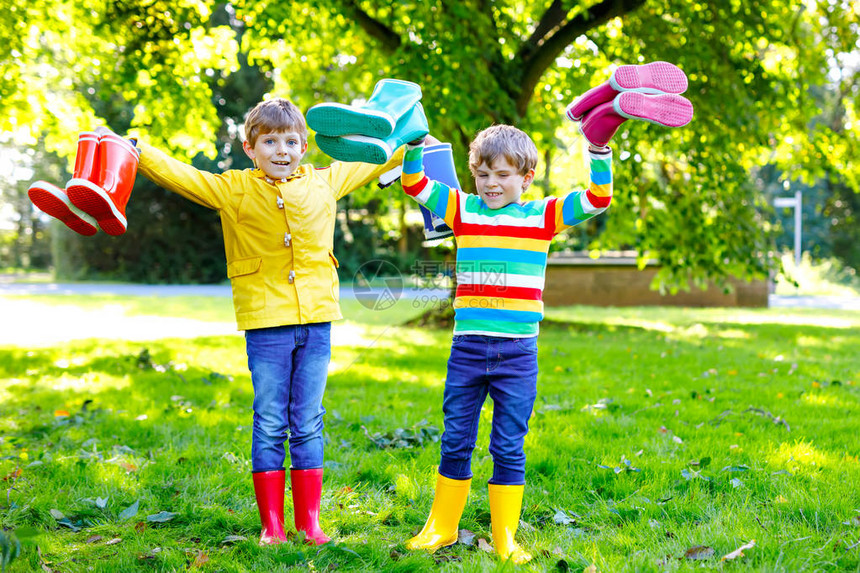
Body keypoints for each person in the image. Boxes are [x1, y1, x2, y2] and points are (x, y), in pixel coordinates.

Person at [394, 63, 692, 563]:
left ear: (526, 177)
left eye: (503, 175)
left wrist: (598, 153)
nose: (491, 183)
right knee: (456, 438)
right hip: (468, 349)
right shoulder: (462, 210)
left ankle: (505, 537)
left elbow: (599, 198)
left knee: (508, 446)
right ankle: (441, 526)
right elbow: (415, 184)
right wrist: (413, 141)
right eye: (483, 174)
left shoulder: (541, 216)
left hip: (516, 354)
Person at [92, 97, 408, 545]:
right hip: (266, 323)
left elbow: (377, 158)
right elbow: (186, 177)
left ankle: (310, 522)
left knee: (309, 419)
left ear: (304, 147)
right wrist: (139, 150)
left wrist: (410, 137)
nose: (282, 150)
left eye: (291, 141)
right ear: (250, 148)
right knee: (270, 421)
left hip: (318, 320)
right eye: (271, 142)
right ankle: (272, 526)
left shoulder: (325, 182)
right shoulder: (233, 188)